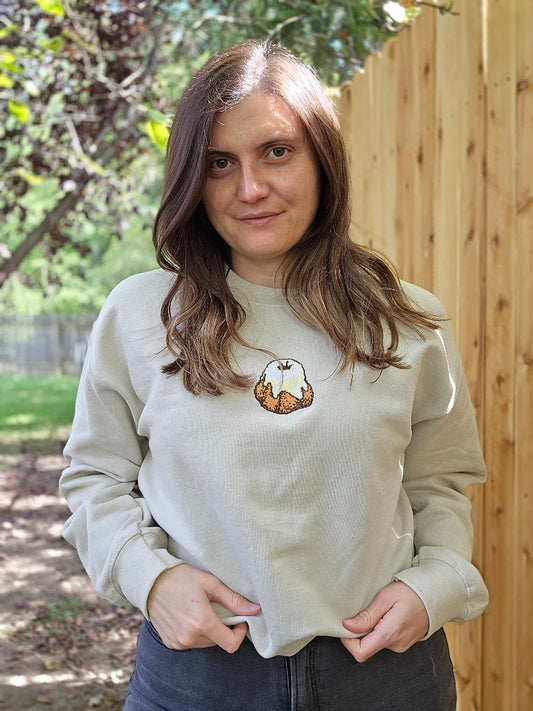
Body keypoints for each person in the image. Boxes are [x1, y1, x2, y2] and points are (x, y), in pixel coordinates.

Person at [60, 41, 489, 711]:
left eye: (277, 152)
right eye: (219, 163)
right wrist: (150, 578)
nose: (250, 188)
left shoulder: (407, 321)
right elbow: (95, 477)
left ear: (323, 158)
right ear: (192, 179)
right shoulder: (140, 316)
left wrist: (432, 583)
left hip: (385, 674)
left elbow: (439, 484)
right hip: (199, 675)